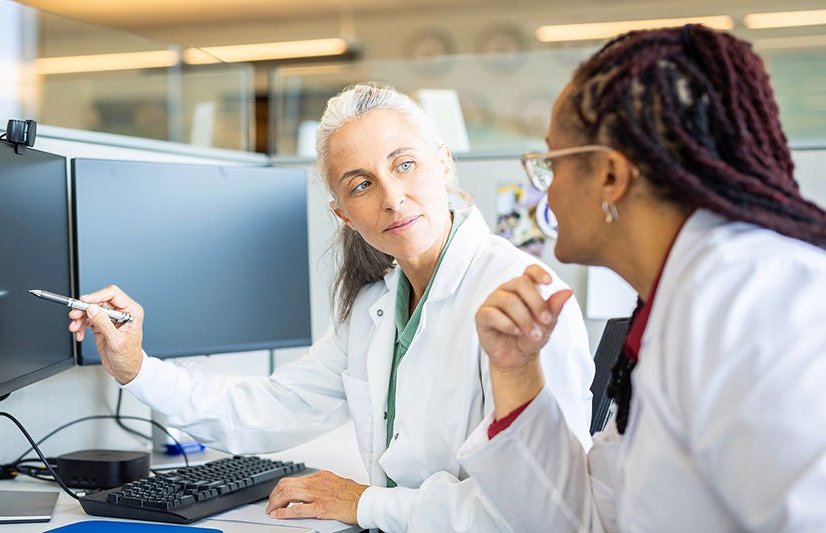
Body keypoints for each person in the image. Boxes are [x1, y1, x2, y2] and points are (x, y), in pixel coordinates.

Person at [68, 83, 595, 531]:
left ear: (444, 162)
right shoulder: (377, 307)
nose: (392, 198)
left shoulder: (521, 297)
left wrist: (364, 502)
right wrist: (136, 368)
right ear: (343, 213)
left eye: (405, 165)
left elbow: (539, 513)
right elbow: (269, 408)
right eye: (361, 184)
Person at [460, 24, 826, 531]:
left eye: (551, 164)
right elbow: (591, 519)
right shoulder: (671, 306)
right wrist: (515, 371)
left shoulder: (753, 298)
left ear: (610, 176)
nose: (545, 192)